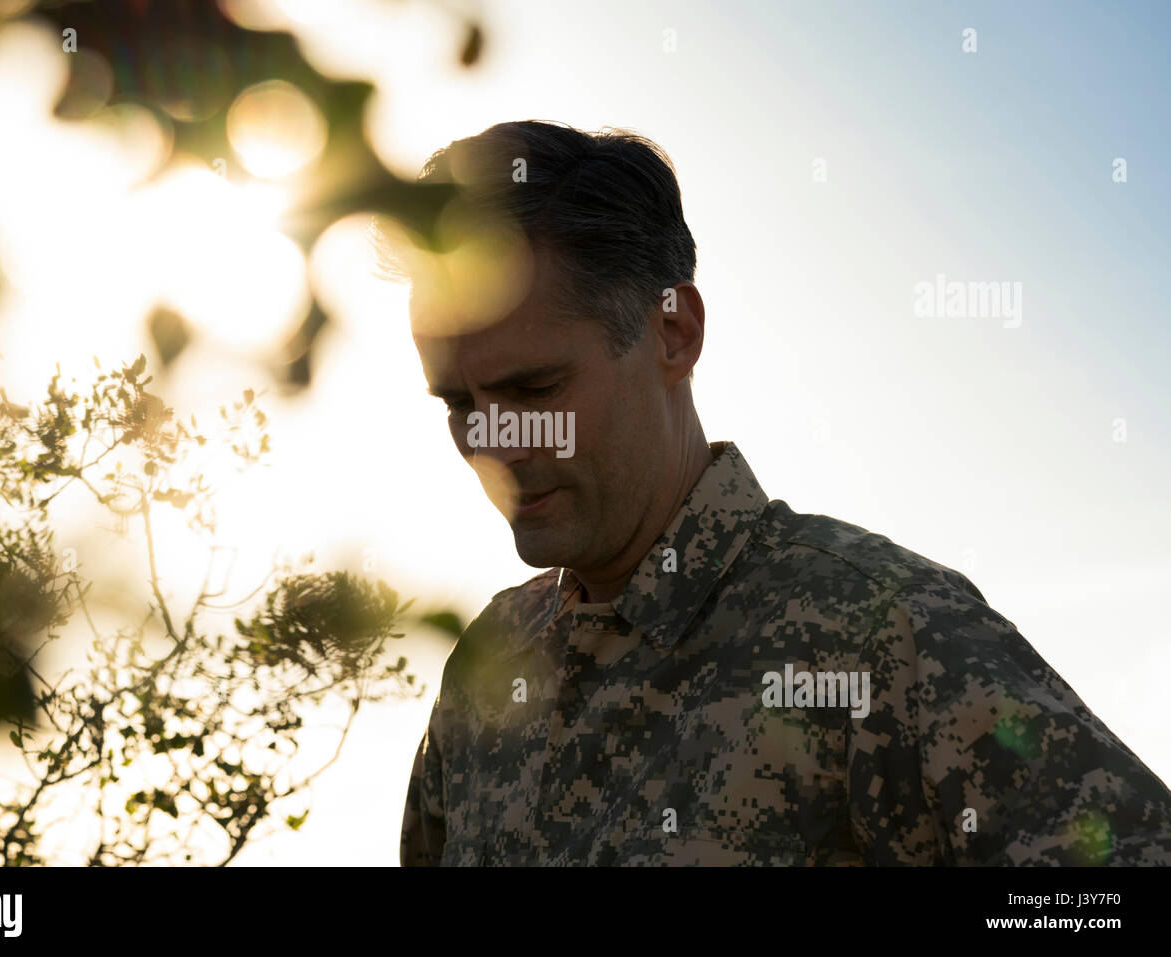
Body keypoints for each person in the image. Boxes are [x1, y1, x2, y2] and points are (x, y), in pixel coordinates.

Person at [380, 120, 1171, 866]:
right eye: (458, 404)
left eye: (535, 388)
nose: (494, 443)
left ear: (672, 332)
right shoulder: (488, 663)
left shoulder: (877, 632)